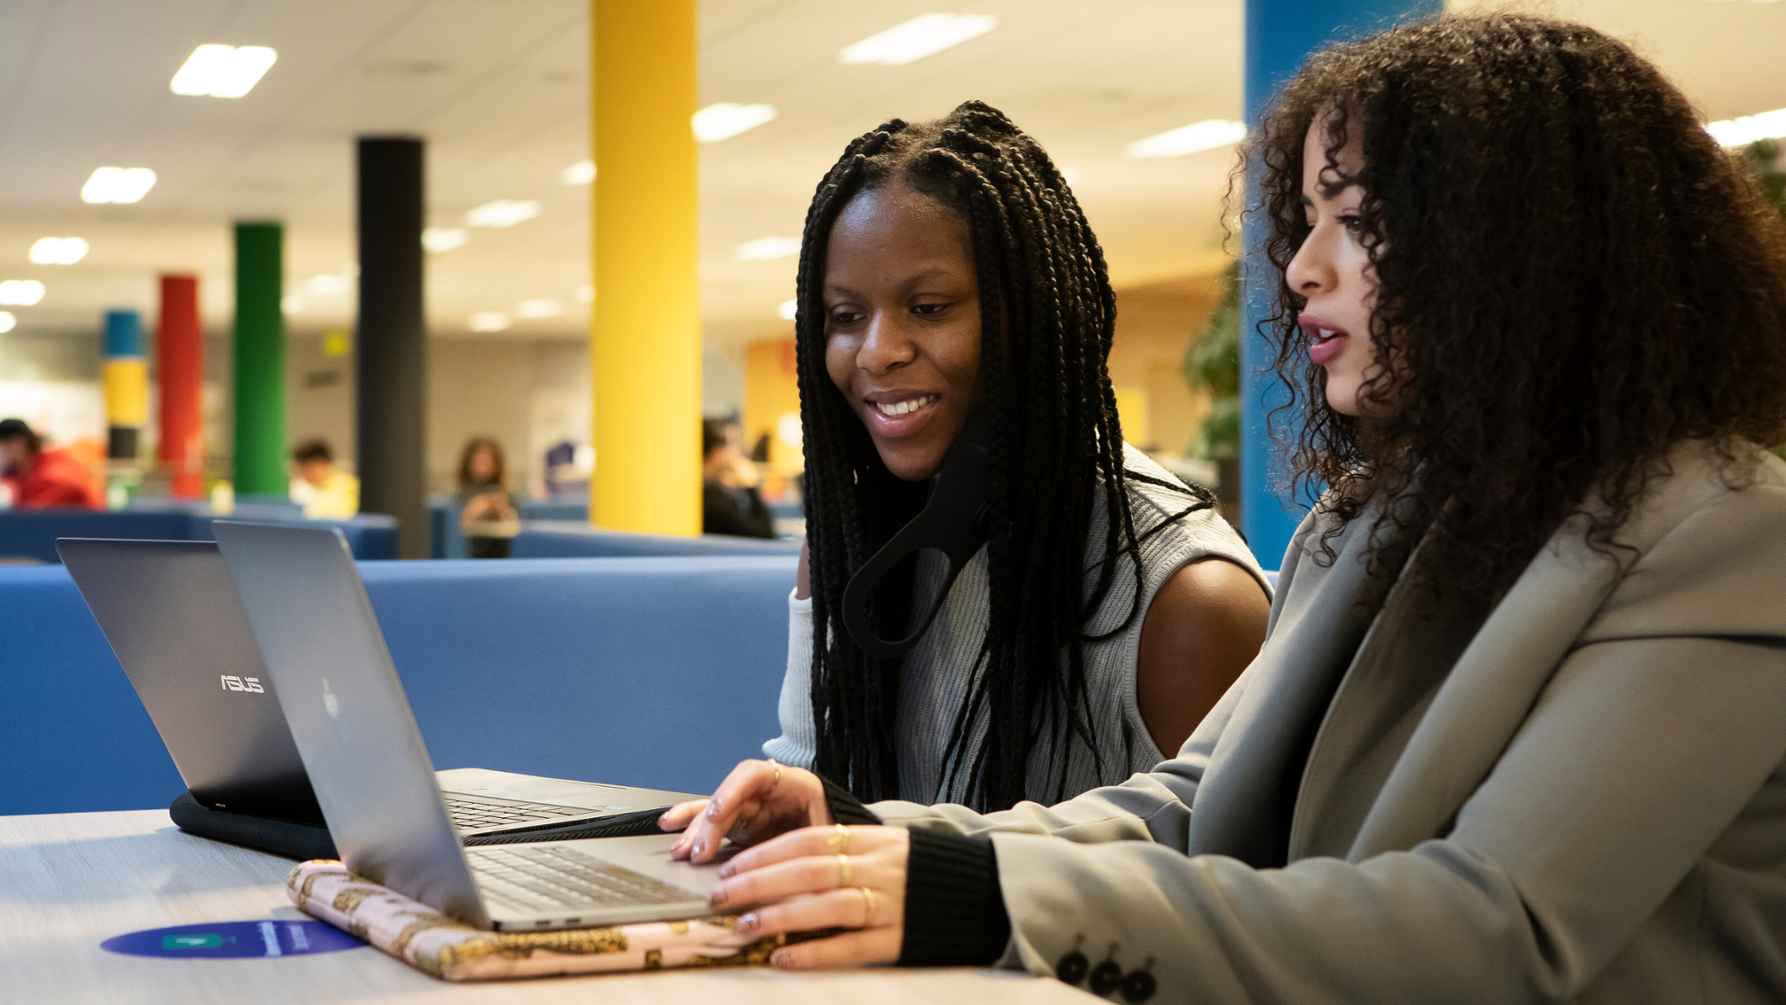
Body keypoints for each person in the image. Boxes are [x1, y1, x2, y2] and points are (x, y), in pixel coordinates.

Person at [661, 15, 1786, 999]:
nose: (1302, 266)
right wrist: (869, 840)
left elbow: (1494, 924)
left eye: (1355, 217)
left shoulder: (1726, 534)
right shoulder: (1366, 528)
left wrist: (984, 905)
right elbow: (1197, 809)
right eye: (1303, 218)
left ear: (1523, 247)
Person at [758, 101, 1271, 813]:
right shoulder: (850, 546)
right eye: (845, 317)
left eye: (930, 307)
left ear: (1028, 316)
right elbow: (816, 768)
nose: (877, 350)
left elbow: (1217, 890)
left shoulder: (1188, 601)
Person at [0, 418, 101, 509]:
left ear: (17, 444)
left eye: (2, 446)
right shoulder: (19, 475)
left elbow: (31, 515)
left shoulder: (56, 467)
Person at [702, 418, 776, 539]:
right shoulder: (714, 500)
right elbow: (765, 535)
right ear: (717, 452)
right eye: (733, 444)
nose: (739, 451)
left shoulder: (716, 492)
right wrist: (751, 485)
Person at [456, 436, 519, 559]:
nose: (482, 466)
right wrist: (474, 510)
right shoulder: (460, 497)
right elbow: (455, 528)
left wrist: (502, 510)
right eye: (478, 461)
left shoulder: (507, 496)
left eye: (487, 461)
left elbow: (516, 527)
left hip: (501, 559)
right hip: (469, 559)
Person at [288, 439, 358, 519]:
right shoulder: (302, 487)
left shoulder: (348, 487)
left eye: (306, 468)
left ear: (321, 464)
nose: (303, 474)